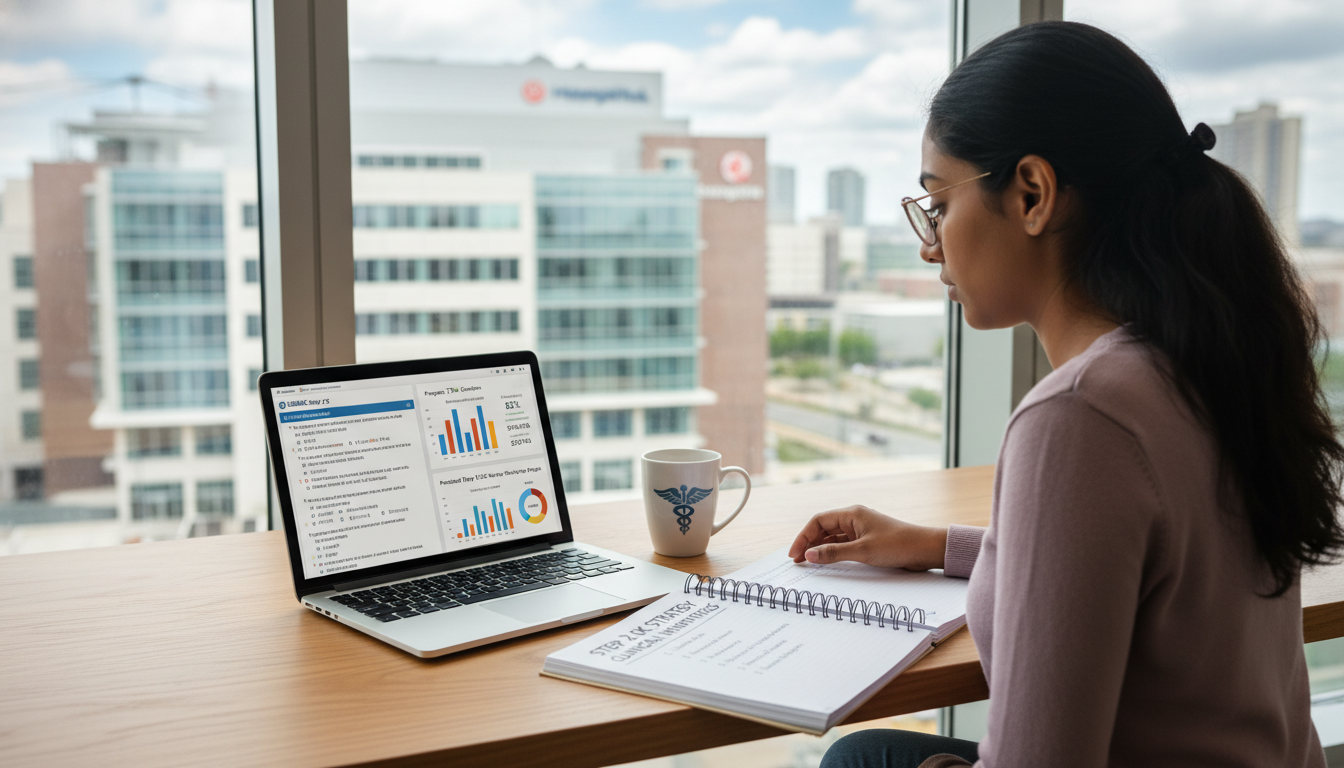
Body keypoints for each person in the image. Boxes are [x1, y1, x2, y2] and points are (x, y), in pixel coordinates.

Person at [789, 21, 1344, 768]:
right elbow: (1150, 571)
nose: (929, 244)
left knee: (855, 760)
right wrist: (934, 547)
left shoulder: (1080, 415)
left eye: (938, 204)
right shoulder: (1200, 355)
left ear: (1032, 193)